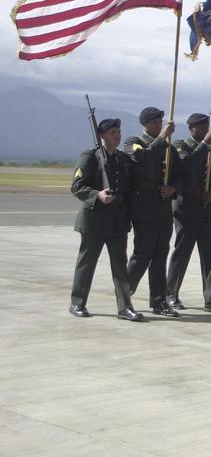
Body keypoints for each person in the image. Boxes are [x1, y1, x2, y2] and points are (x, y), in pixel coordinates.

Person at [69, 118, 143, 321]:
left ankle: (125, 307)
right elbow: (77, 186)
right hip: (94, 220)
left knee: (120, 266)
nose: (117, 136)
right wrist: (97, 195)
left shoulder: (122, 159)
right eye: (112, 132)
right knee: (87, 263)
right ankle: (77, 303)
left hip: (117, 221)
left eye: (118, 132)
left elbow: (128, 190)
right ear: (102, 135)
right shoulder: (90, 157)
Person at [165, 113, 211, 313]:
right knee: (182, 252)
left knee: (210, 254)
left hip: (205, 207)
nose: (204, 131)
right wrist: (204, 145)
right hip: (186, 206)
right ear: (191, 128)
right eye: (200, 128)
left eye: (206, 127)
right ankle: (171, 294)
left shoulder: (210, 150)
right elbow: (185, 167)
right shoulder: (180, 146)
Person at [125, 107, 180, 317]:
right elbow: (143, 158)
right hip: (144, 207)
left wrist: (173, 187)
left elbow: (180, 174)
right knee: (142, 254)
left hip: (163, 207)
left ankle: (159, 300)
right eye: (156, 122)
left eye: (161, 122)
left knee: (160, 255)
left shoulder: (168, 148)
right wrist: (163, 137)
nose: (160, 125)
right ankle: (125, 294)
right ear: (146, 124)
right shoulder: (133, 142)